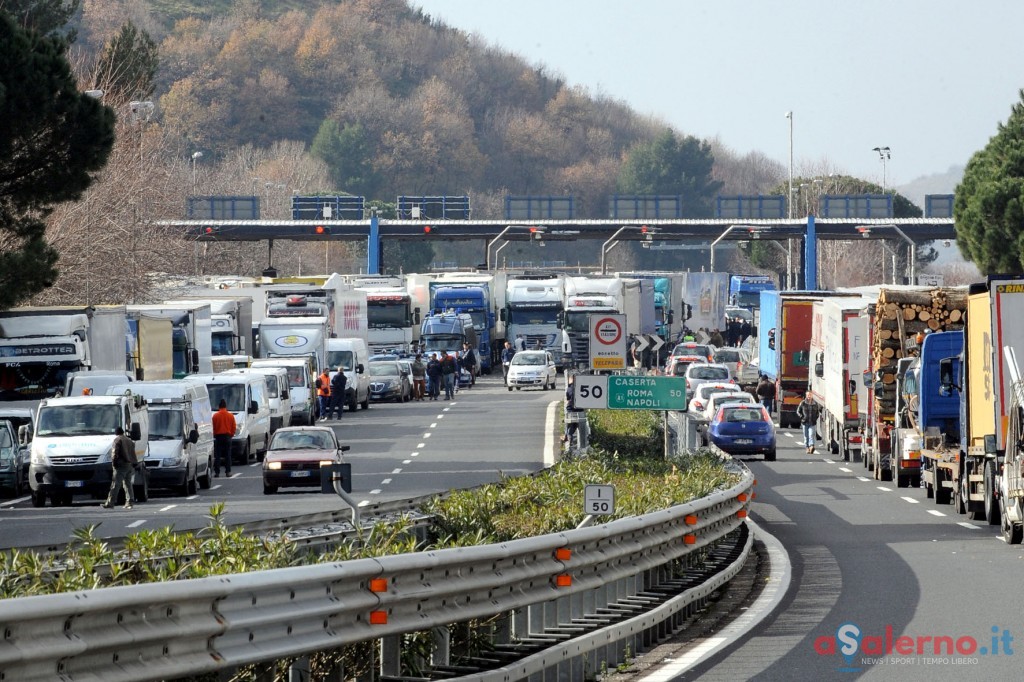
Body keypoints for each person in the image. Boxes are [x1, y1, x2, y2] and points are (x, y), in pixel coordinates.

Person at [102, 426, 138, 509]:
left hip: (121, 465)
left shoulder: (117, 440)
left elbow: (115, 452)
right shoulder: (129, 440)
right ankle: (129, 502)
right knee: (128, 484)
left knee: (115, 484)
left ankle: (110, 503)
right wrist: (134, 462)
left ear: (116, 433)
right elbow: (133, 453)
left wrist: (114, 463)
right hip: (129, 464)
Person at [212, 398, 236, 477]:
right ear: (226, 406)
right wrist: (231, 435)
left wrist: (215, 434)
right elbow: (234, 427)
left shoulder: (215, 416)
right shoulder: (230, 415)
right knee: (227, 455)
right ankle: (228, 471)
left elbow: (213, 427)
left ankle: (217, 472)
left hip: (218, 437)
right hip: (227, 436)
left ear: (219, 407)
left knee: (217, 455)